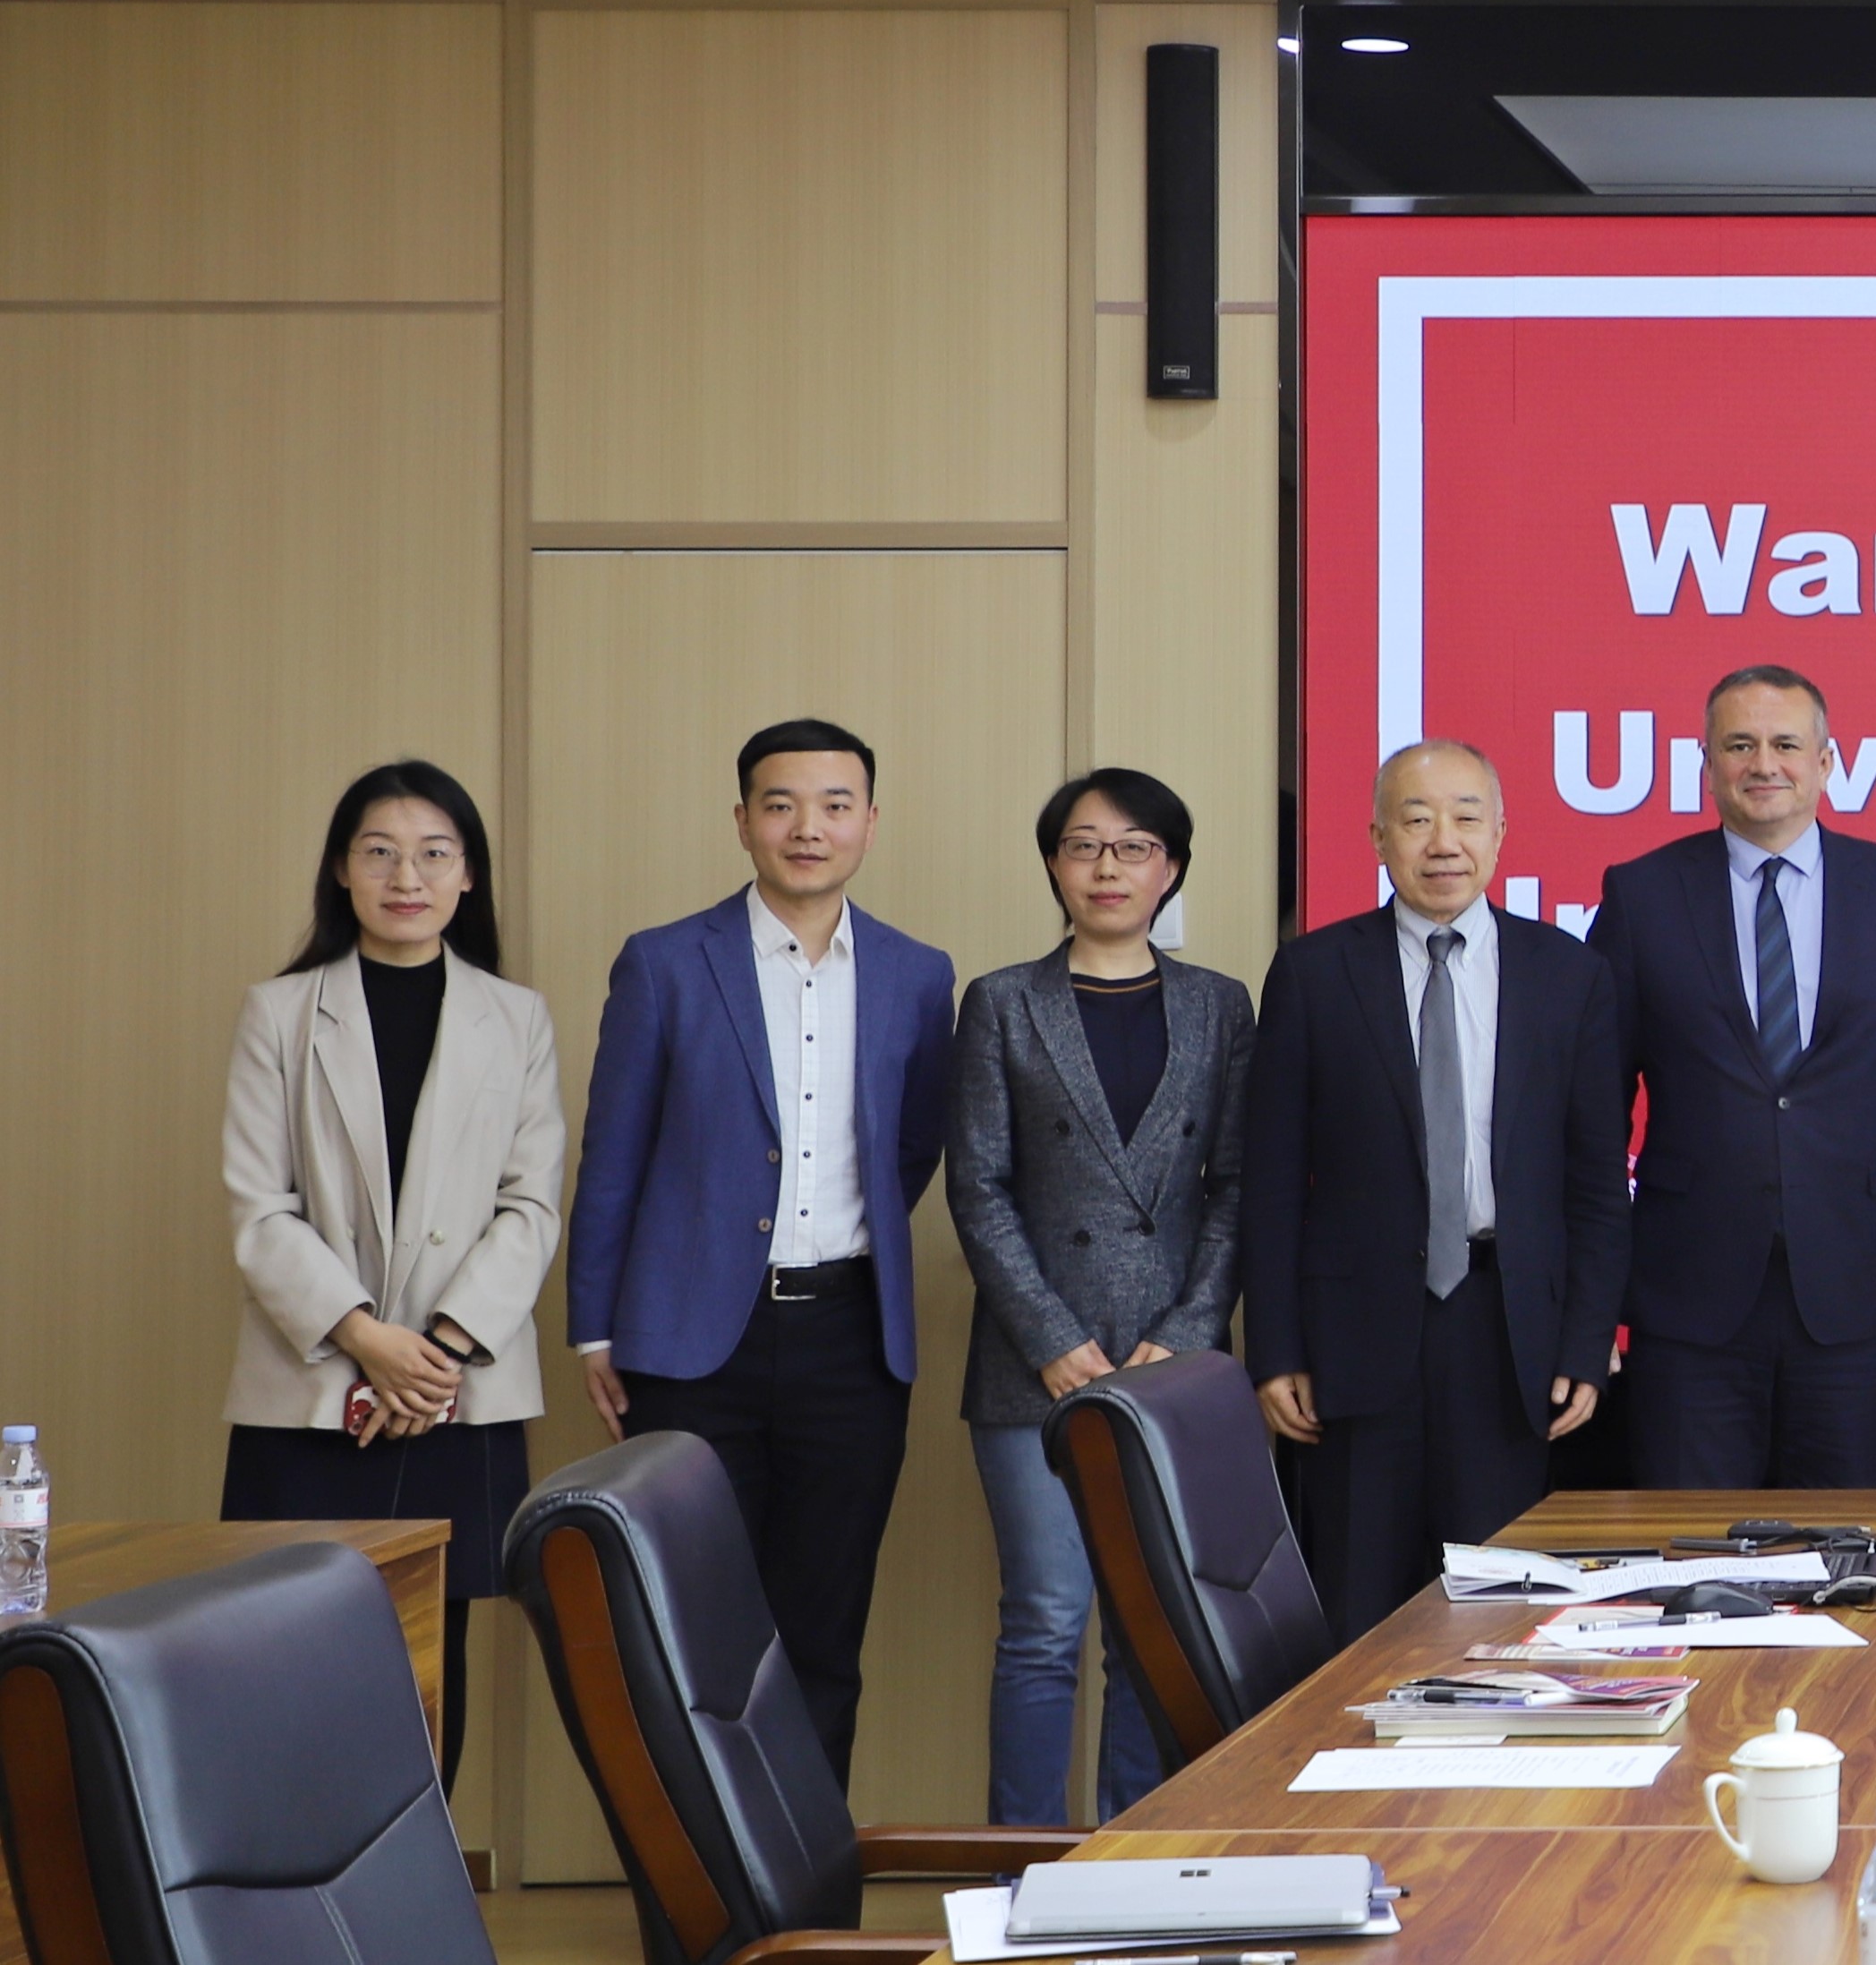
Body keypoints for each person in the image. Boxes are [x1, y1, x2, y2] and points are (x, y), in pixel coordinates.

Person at [565, 719, 956, 1783]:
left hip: (852, 1342)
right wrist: (594, 1326)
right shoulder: (664, 961)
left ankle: (804, 1871)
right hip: (693, 1345)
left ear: (870, 821)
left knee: (823, 1634)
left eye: (835, 805)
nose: (807, 827)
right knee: (691, 1629)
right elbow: (614, 1151)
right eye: (781, 804)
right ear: (742, 821)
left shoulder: (919, 973)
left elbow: (914, 1141)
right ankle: (702, 1877)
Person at [220, 760, 563, 1792]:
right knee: (290, 1654)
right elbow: (259, 1207)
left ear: (468, 874)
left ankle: (415, 1875)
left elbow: (531, 1205)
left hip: (461, 1389)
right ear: (341, 869)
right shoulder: (280, 1012)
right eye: (379, 852)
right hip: (313, 1386)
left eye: (433, 853)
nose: (406, 876)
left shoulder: (517, 1016)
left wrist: (435, 1358)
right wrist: (370, 1340)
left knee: (430, 1661)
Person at [1241, 740, 1629, 1634]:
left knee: (1499, 1616)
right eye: (1416, 819)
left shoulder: (1568, 975)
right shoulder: (1313, 972)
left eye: (1465, 817)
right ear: (1379, 837)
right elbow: (1272, 1178)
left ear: (1500, 833)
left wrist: (1585, 1341)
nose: (1442, 840)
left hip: (1508, 1332)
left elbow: (1596, 1185)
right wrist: (1276, 1347)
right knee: (1358, 1608)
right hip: (1353, 1337)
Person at [1592, 665, 1876, 1490]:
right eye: (1739, 745)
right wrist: (1589, 1299)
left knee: (1842, 1546)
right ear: (1708, 762)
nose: (1763, 764)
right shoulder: (1641, 895)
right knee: (1690, 1550)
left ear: (1825, 761)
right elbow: (1594, 1109)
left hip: (1850, 1295)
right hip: (1687, 1302)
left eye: (1785, 743)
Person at [942, 769, 1253, 1825]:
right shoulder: (1002, 1000)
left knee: (1148, 1625)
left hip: (1169, 1367)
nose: (1107, 868)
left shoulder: (1218, 1003)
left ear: (1171, 868)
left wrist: (1189, 1332)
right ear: (1052, 865)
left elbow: (1236, 1185)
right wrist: (1050, 1336)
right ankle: (1018, 1863)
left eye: (1134, 847)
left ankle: (1132, 1852)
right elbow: (977, 1184)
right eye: (1083, 846)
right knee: (1042, 1622)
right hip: (1032, 1365)